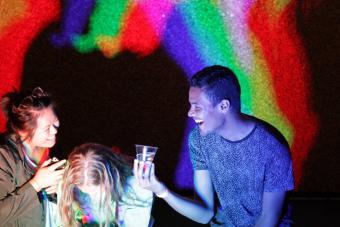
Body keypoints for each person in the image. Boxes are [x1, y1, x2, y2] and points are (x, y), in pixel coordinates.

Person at [134, 65, 294, 226]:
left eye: (197, 107)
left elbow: (268, 220)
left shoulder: (273, 147)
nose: (190, 113)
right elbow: (204, 213)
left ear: (223, 106)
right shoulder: (198, 139)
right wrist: (161, 190)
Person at [0, 87, 66, 226]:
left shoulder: (52, 149)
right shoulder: (3, 157)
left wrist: (59, 189)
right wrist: (36, 184)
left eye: (55, 123)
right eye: (47, 128)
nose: (54, 131)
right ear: (22, 131)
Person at [59, 143, 153, 227]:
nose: (92, 197)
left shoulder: (136, 186)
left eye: (96, 192)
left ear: (112, 177)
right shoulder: (68, 184)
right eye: (84, 192)